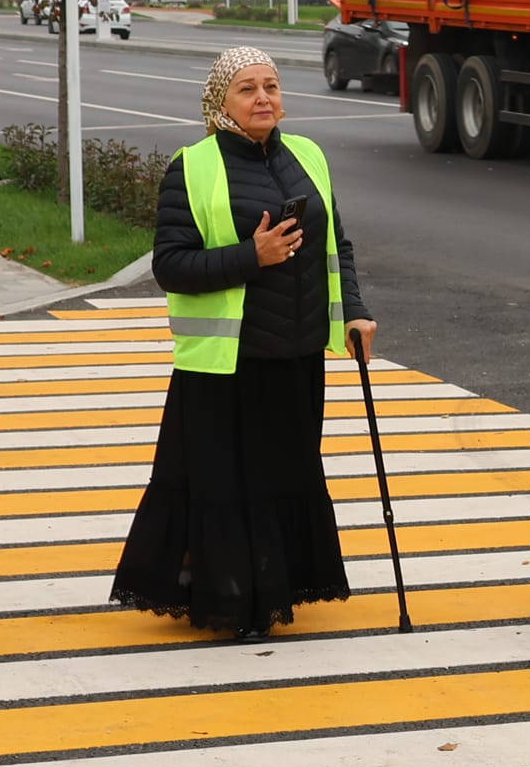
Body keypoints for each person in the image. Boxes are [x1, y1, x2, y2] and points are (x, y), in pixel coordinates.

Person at [111, 46, 377, 638]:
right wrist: (251, 256)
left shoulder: (307, 155)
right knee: (228, 488)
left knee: (284, 477)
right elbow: (171, 265)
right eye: (247, 89)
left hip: (298, 355)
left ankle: (275, 590)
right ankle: (231, 603)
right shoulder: (193, 166)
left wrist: (355, 313)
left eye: (271, 87)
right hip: (225, 364)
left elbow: (337, 245)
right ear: (221, 102)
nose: (263, 99)